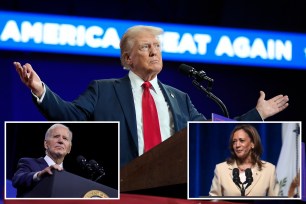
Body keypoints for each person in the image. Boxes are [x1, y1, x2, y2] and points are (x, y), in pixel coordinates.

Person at [13, 25, 289, 168]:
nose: (155, 51)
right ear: (127, 58)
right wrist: (40, 89)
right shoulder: (103, 89)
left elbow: (208, 133)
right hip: (125, 188)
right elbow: (69, 116)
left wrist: (258, 115)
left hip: (173, 187)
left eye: (158, 46)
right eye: (146, 47)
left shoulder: (179, 98)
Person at [209, 124, 279, 196]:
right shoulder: (221, 169)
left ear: (253, 144)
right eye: (234, 141)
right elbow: (213, 200)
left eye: (241, 140)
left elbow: (276, 201)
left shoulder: (269, 170)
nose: (237, 145)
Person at [12, 123, 72, 197]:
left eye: (65, 138)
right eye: (56, 136)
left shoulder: (69, 178)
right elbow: (17, 179)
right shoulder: (28, 163)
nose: (61, 141)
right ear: (46, 144)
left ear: (69, 149)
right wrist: (39, 175)